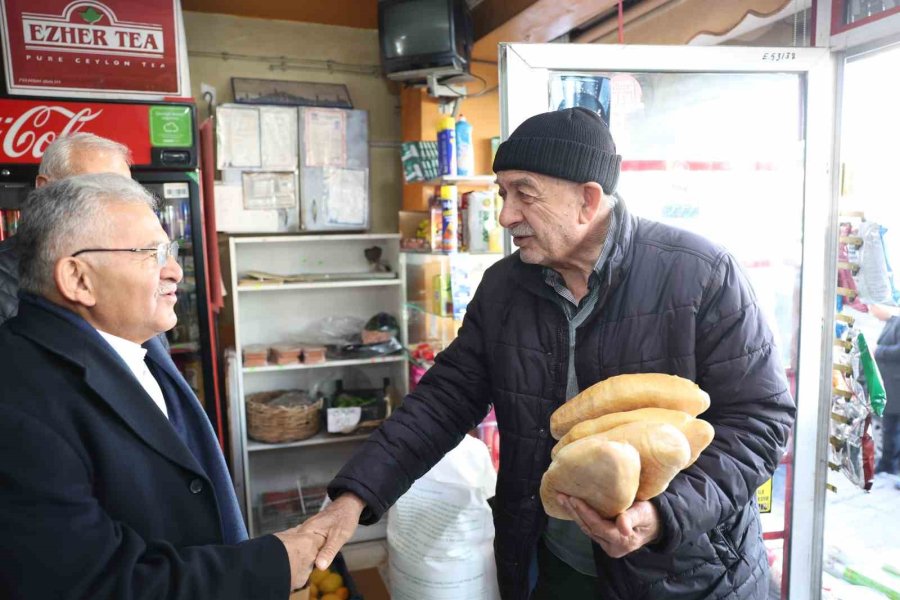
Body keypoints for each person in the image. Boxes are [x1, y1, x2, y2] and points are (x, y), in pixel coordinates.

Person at [303, 108, 795, 599]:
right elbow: (443, 401)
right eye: (502, 193)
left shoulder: (700, 275)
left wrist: (664, 514)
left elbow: (760, 419)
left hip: (685, 571)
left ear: (587, 199)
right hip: (549, 562)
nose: (505, 215)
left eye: (524, 192)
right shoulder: (504, 288)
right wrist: (354, 497)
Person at [0, 174, 322, 598]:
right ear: (79, 279)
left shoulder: (140, 342)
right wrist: (272, 563)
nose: (175, 270)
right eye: (150, 253)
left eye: (168, 250)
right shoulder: (20, 404)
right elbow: (94, 585)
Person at [0, 132, 132, 326]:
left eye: (125, 192)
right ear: (44, 188)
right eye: (96, 190)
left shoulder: (135, 264)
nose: (115, 204)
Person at [872, 304, 900, 477]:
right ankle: (886, 463)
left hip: (897, 386)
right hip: (889, 386)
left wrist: (878, 351)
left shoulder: (898, 323)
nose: (872, 313)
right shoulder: (889, 323)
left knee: (896, 430)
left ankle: (897, 467)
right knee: (888, 427)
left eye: (873, 309)